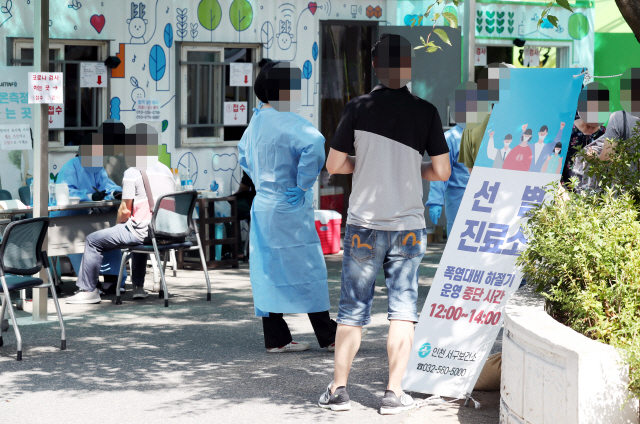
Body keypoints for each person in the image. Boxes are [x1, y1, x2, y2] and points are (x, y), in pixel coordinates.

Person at [318, 34, 451, 415]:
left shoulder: (357, 107)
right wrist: (411, 166)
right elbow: (441, 171)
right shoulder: (425, 111)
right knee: (404, 310)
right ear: (408, 67)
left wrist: (366, 163)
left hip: (363, 224)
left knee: (352, 310)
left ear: (375, 65)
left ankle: (339, 391)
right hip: (408, 225)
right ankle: (394, 393)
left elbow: (333, 164)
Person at [238, 60, 338, 354]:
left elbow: (243, 156)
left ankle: (276, 338)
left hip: (263, 204)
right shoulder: (290, 120)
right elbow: (315, 143)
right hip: (289, 204)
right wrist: (303, 182)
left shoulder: (255, 121)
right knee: (306, 269)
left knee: (267, 270)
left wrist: (261, 179)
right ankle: (328, 335)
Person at [65, 124, 175, 304]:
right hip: (164, 232)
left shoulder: (132, 172)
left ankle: (88, 291)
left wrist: (117, 230)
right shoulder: (166, 170)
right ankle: (138, 287)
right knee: (137, 232)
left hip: (144, 232)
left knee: (94, 240)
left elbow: (124, 211)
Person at [53, 121, 126, 293]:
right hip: (68, 218)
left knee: (109, 237)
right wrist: (89, 195)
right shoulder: (71, 167)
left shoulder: (97, 168)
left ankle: (114, 279)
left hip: (89, 216)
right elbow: (65, 192)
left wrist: (116, 193)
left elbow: (108, 185)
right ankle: (87, 284)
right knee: (78, 245)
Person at [426, 124, 469, 236]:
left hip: (487, 195)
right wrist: (436, 201)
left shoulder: (489, 134)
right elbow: (440, 171)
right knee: (458, 239)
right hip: (459, 199)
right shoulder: (451, 137)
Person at [561, 112, 605, 184]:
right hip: (565, 188)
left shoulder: (604, 133)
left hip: (592, 190)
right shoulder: (566, 128)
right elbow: (554, 159)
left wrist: (598, 159)